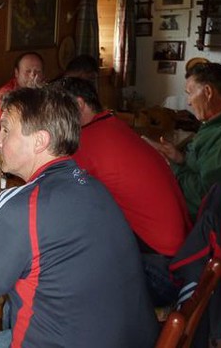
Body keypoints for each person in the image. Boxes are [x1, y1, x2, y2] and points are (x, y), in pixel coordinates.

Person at [0, 87, 158, 347]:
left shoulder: (21, 206)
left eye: (5, 130)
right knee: (10, 308)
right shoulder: (94, 186)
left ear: (40, 141)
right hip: (131, 336)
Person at [53, 76, 191, 305]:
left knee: (65, 272)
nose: (55, 119)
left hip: (163, 273)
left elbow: (57, 195)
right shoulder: (113, 124)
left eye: (58, 110)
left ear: (79, 105)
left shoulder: (88, 139)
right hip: (184, 258)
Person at [145, 62, 221, 218]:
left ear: (208, 92)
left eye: (190, 93)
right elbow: (201, 164)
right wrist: (179, 158)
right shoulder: (212, 124)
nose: (189, 102)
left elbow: (205, 197)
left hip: (193, 220)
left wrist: (173, 167)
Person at [0, 51, 44, 149]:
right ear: (17, 73)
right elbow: (16, 128)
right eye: (28, 71)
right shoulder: (5, 96)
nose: (33, 76)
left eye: (38, 71)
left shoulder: (41, 92)